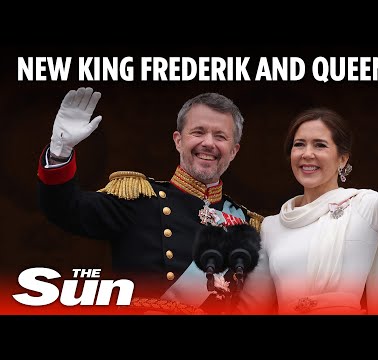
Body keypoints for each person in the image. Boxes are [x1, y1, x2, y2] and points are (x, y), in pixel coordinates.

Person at [239, 57, 378, 315]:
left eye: (320, 145)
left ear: (342, 158)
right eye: (299, 144)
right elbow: (252, 306)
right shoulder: (272, 226)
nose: (307, 154)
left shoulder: (364, 207)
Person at [37, 87, 269, 314]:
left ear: (234, 151)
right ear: (178, 140)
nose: (208, 143)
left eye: (220, 136)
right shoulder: (139, 199)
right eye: (198, 132)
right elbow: (64, 208)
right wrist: (61, 150)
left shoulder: (247, 227)